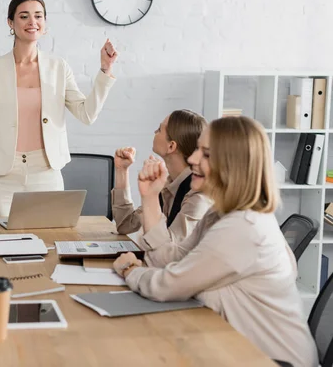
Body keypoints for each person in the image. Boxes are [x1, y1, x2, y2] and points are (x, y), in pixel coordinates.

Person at [113, 116, 317, 367]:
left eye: (206, 154)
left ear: (233, 166)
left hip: (272, 361)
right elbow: (168, 257)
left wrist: (129, 270)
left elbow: (167, 284)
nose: (192, 159)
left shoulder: (243, 227)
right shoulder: (220, 214)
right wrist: (150, 196)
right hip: (234, 347)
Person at [0, 0, 118, 217]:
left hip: (46, 175)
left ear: (45, 23)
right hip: (3, 178)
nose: (32, 22)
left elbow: (86, 114)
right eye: (24, 16)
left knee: (50, 246)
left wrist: (105, 70)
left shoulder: (58, 67)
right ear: (10, 23)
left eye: (38, 16)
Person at [112, 110, 211, 251]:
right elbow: (126, 225)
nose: (154, 132)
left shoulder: (198, 195)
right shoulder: (167, 184)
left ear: (171, 146)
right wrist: (122, 170)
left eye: (159, 129)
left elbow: (168, 252)